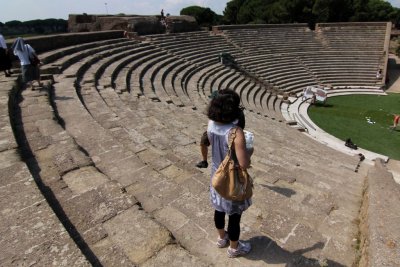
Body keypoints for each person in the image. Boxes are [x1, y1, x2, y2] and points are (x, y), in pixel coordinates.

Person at [206, 89, 253, 258]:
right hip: (231, 179)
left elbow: (209, 143)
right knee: (234, 216)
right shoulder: (235, 132)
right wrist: (249, 150)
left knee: (218, 210)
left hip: (216, 176)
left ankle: (221, 238)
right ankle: (234, 248)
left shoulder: (211, 123)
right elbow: (244, 163)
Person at [196, 90, 245, 168]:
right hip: (216, 128)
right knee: (203, 142)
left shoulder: (238, 115)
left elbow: (241, 126)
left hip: (231, 134)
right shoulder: (212, 121)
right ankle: (204, 161)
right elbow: (245, 164)